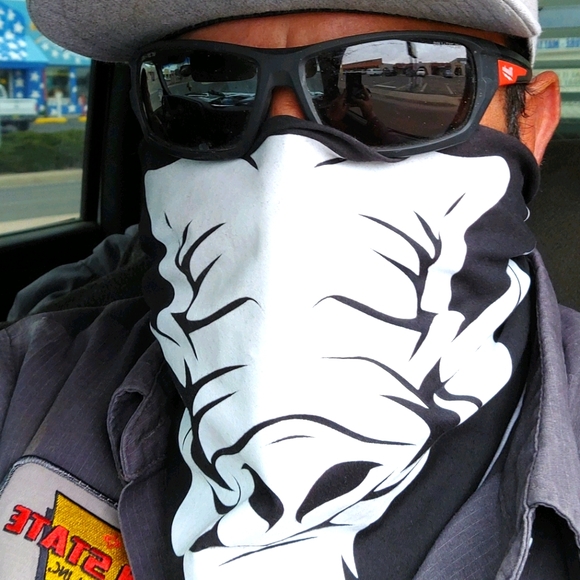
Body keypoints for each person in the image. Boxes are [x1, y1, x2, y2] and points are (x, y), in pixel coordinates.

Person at [0, 0, 577, 579]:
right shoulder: (25, 384)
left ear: (531, 124)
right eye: (208, 95)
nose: (281, 178)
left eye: (391, 84)